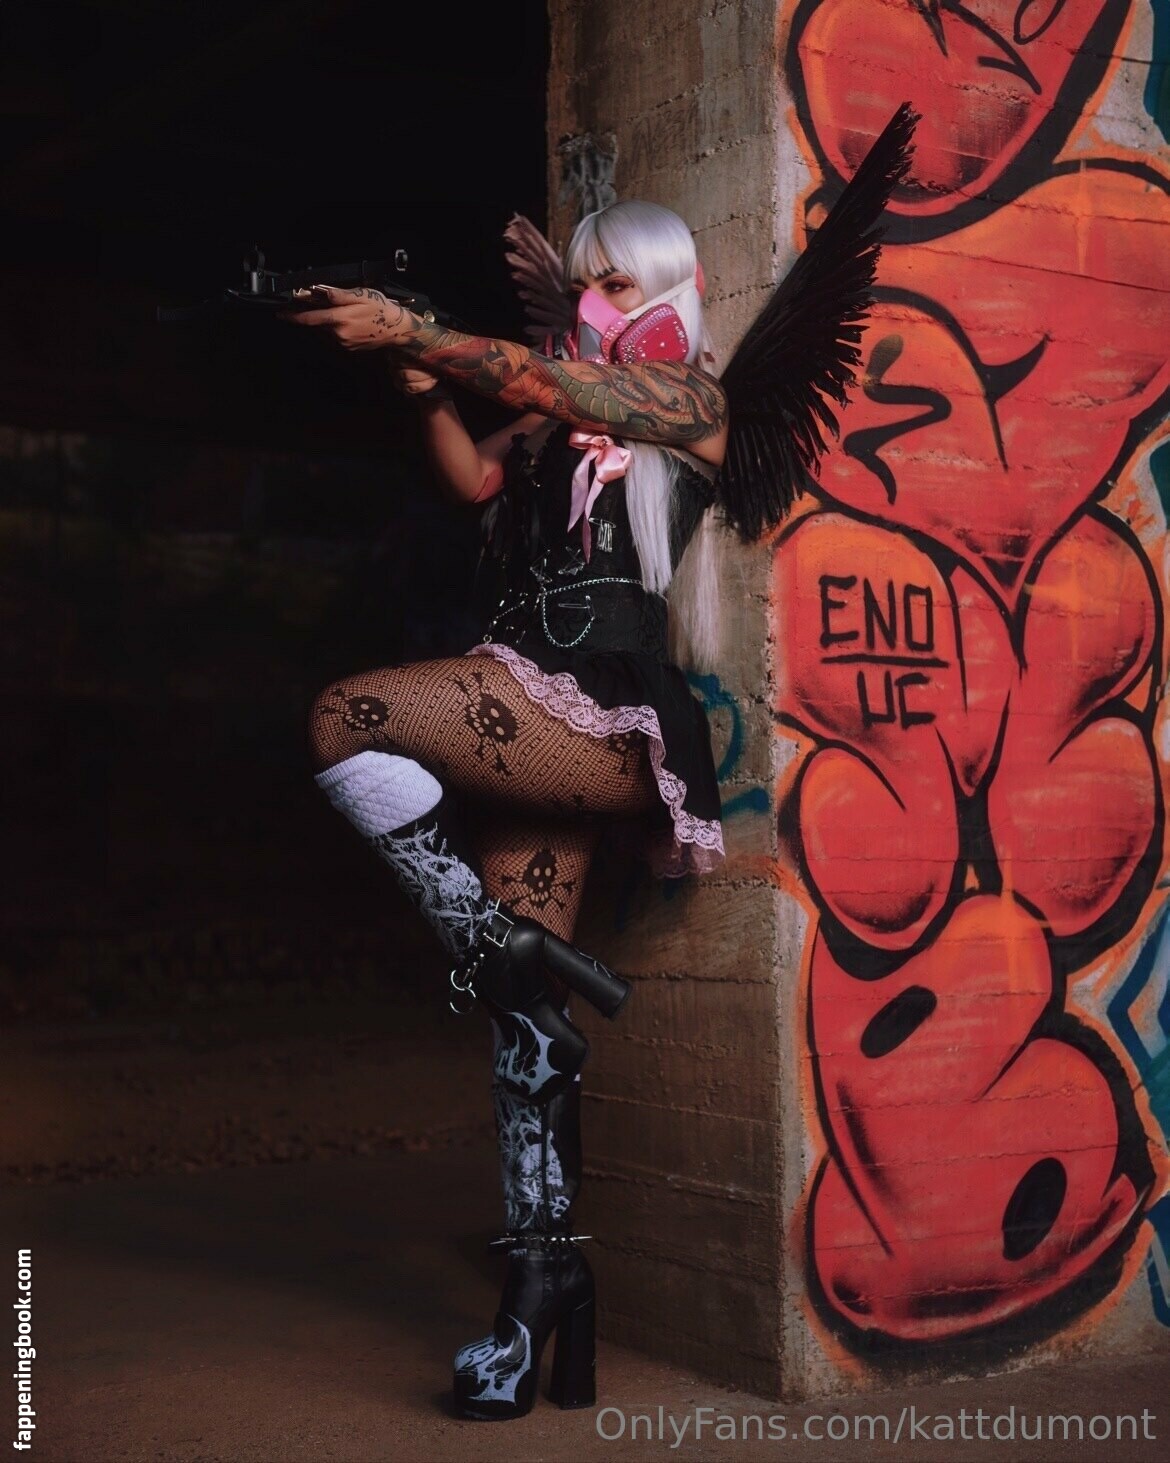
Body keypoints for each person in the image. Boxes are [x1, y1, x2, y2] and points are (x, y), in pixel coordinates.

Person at [281, 199, 729, 1420]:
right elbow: (473, 476)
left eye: (616, 283)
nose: (594, 302)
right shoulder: (547, 415)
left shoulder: (689, 400)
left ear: (670, 286)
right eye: (585, 281)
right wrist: (419, 381)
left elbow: (550, 380)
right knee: (526, 1032)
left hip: (603, 720)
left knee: (344, 716)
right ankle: (544, 1285)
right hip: (526, 710)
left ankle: (495, 942)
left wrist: (417, 328)